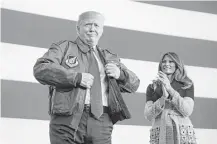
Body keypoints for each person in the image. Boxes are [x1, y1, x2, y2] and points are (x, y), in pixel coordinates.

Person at [33, 11, 140, 144]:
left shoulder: (108, 57)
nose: (92, 29)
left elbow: (135, 84)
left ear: (101, 30)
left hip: (102, 121)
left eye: (96, 25)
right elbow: (40, 69)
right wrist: (75, 77)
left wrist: (121, 74)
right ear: (78, 28)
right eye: (87, 24)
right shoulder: (64, 48)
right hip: (67, 120)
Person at [144, 52, 197, 144]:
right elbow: (148, 115)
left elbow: (187, 111)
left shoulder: (187, 84)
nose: (166, 64)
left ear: (177, 64)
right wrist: (163, 98)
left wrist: (170, 89)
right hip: (161, 134)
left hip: (181, 134)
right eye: (164, 62)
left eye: (171, 61)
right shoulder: (152, 87)